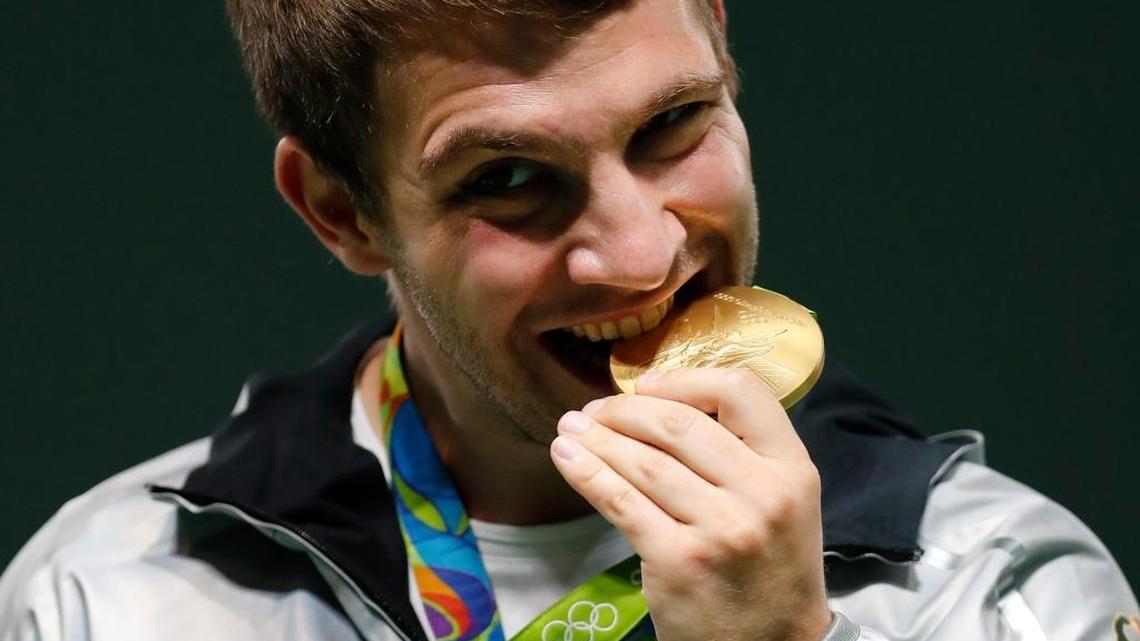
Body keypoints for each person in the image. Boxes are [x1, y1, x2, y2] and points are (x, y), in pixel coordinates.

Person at [1, 1, 1135, 640]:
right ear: (342, 212)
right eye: (507, 178)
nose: (642, 252)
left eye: (674, 124)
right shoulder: (102, 597)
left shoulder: (1003, 591)